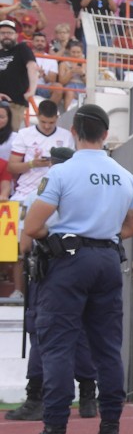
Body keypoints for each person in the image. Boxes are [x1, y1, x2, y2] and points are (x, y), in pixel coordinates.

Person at [15, 104, 133, 434]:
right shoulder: (125, 176)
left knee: (57, 346)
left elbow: (33, 227)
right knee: (106, 348)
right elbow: (130, 228)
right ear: (104, 134)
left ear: (74, 132)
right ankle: (110, 430)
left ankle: (54, 433)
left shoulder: (62, 173)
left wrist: (62, 237)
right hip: (107, 260)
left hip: (68, 263)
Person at [5, 147, 95, 422]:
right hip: (84, 266)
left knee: (41, 335)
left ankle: (36, 398)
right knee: (79, 332)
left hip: (48, 271)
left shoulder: (44, 189)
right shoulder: (86, 191)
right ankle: (89, 396)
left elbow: (26, 241)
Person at [8, 100, 74, 299]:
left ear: (57, 119)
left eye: (51, 122)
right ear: (38, 118)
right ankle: (19, 290)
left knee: (57, 245)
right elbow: (12, 167)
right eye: (44, 122)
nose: (47, 126)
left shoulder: (66, 137)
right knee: (22, 247)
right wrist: (32, 164)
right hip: (26, 195)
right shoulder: (24, 134)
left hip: (55, 197)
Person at [0, 20, 38, 126]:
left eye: (9, 33)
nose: (6, 36)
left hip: (15, 103)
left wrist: (32, 90)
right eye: (3, 33)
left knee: (11, 135)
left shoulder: (22, 48)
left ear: (16, 35)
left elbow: (32, 66)